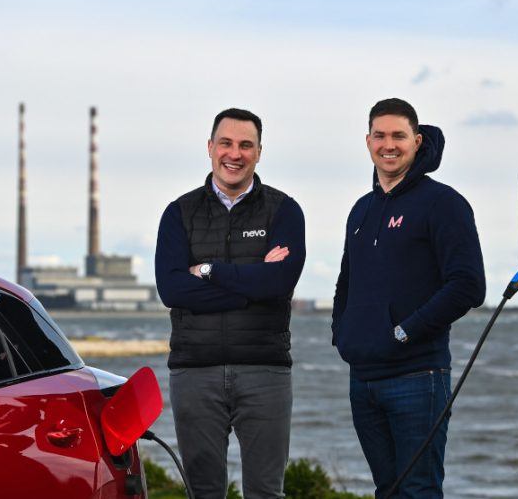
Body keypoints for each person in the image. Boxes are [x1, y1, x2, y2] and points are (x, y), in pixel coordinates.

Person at [332, 98, 485, 498]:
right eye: (380, 135)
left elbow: (469, 285)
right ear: (367, 142)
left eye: (399, 135)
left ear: (417, 141)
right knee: (388, 490)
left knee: (418, 490)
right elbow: (347, 282)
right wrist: (342, 336)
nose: (389, 144)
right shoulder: (361, 210)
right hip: (363, 379)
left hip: (418, 376)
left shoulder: (443, 203)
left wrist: (404, 332)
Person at [155, 108, 306, 499]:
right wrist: (253, 284)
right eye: (226, 143)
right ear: (210, 148)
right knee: (203, 492)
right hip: (194, 373)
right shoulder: (178, 213)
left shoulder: (284, 210)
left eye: (245, 145)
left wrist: (206, 270)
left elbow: (281, 281)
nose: (234, 154)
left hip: (265, 372)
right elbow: (172, 290)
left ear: (259, 152)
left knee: (265, 492)